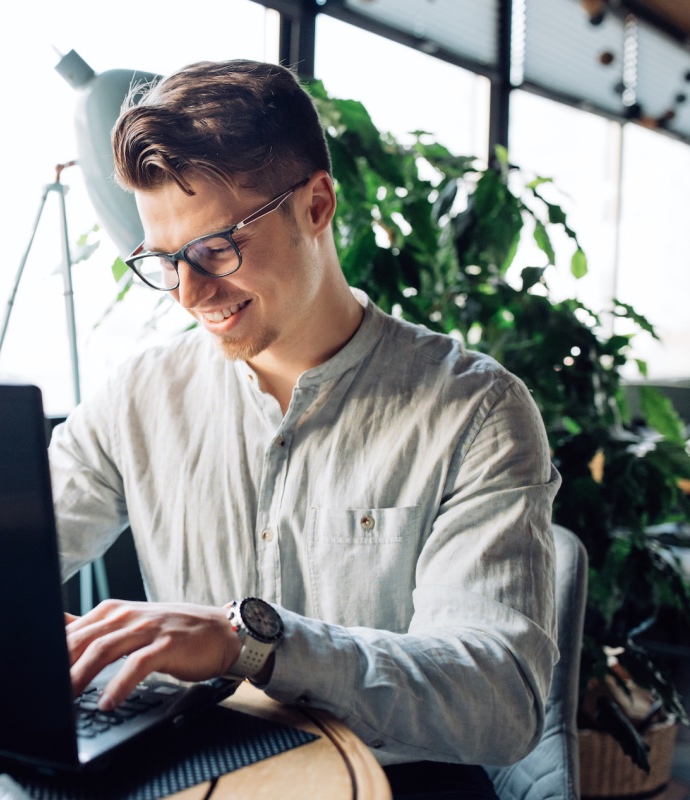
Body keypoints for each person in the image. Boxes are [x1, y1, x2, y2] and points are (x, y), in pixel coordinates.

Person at [48, 60, 560, 796]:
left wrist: (247, 643)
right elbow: (5, 561)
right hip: (194, 777)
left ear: (316, 206)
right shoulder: (139, 394)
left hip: (395, 783)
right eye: (164, 261)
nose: (190, 293)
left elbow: (496, 699)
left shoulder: (475, 412)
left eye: (216, 248)